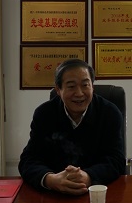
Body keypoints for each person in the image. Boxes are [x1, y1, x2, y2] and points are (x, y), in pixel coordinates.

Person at [19, 58, 125, 195]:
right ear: (58, 89)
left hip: (98, 192)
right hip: (54, 194)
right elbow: (29, 159)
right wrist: (50, 179)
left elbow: (116, 160)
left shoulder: (109, 113)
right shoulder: (44, 114)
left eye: (85, 85)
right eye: (71, 86)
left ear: (92, 86)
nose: (79, 93)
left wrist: (88, 176)